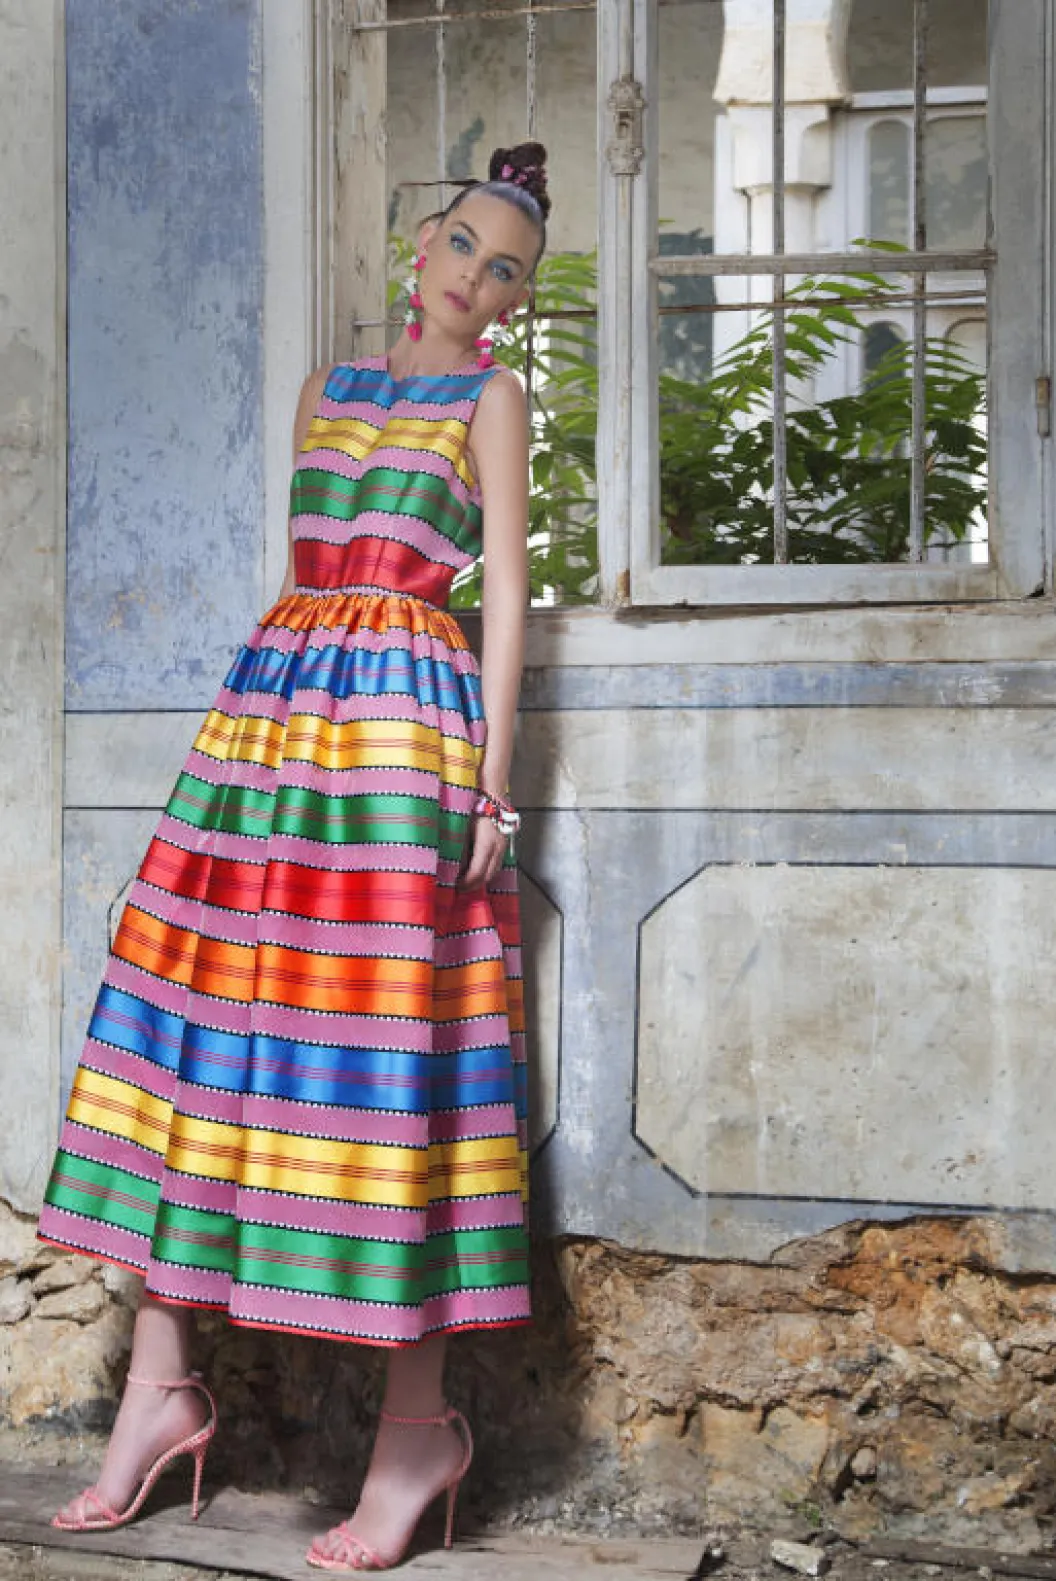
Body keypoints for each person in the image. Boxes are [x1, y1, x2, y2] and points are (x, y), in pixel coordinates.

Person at [36, 141, 550, 1574]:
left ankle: (417, 1433)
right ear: (421, 246)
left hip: (403, 733)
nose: (475, 275)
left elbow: (510, 593)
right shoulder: (327, 388)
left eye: (506, 268)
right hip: (272, 722)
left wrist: (492, 785)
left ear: (516, 301)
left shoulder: (493, 401)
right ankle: (159, 1388)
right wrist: (244, 745)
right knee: (208, 1038)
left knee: (386, 1066)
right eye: (463, 243)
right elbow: (300, 568)